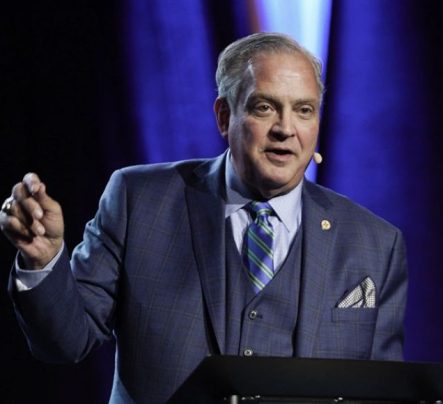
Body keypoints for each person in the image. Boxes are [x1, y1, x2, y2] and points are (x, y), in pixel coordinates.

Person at [0, 33, 408, 403]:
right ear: (224, 116)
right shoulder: (139, 200)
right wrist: (44, 261)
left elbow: (382, 392)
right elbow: (66, 342)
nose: (286, 129)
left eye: (304, 110)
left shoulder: (375, 243)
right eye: (265, 107)